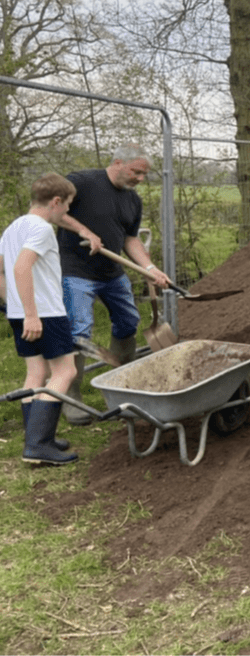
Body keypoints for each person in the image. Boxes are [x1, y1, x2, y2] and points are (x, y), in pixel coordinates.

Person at [56, 146, 173, 424]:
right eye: (137, 172)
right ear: (118, 163)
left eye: (145, 174)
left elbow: (130, 240)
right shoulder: (83, 182)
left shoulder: (133, 201)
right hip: (76, 270)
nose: (141, 179)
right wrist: (83, 230)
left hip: (112, 272)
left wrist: (149, 267)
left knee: (128, 321)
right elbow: (53, 210)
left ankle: (122, 383)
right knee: (79, 330)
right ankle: (71, 398)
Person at [0, 174, 80, 465]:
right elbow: (21, 267)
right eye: (68, 205)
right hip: (44, 313)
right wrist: (32, 314)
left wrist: (14, 306)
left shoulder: (14, 227)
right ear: (56, 201)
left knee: (36, 373)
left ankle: (36, 436)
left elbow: (1, 270)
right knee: (65, 372)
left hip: (20, 312)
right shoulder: (43, 228)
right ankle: (38, 444)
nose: (67, 212)